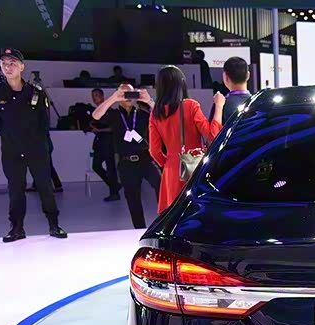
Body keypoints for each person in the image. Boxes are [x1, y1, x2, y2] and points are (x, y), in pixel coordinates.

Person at [0, 48, 67, 242]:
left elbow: (44, 121)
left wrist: (36, 142)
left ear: (22, 67)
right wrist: (10, 136)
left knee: (45, 187)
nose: (8, 67)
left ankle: (54, 225)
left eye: (12, 63)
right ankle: (17, 228)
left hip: (36, 149)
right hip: (12, 150)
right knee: (15, 189)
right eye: (4, 64)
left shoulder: (36, 92)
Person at [149, 65, 224, 213]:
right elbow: (213, 135)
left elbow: (154, 150)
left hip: (171, 171)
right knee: (195, 212)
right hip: (192, 165)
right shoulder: (190, 106)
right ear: (181, 83)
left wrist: (169, 162)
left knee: (173, 215)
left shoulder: (156, 113)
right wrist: (219, 106)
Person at [92, 83, 162, 229]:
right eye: (124, 94)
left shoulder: (142, 114)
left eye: (130, 93)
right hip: (126, 162)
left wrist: (149, 101)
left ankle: (164, 222)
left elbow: (163, 119)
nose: (128, 97)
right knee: (132, 197)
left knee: (161, 185)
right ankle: (139, 229)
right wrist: (113, 98)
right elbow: (96, 115)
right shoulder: (114, 115)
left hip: (146, 159)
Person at [90, 88, 121, 202]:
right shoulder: (95, 112)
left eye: (96, 95)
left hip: (109, 142)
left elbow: (113, 128)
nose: (94, 98)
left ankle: (114, 192)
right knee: (96, 165)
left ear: (102, 96)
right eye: (93, 96)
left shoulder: (110, 111)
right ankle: (114, 186)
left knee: (110, 167)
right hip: (100, 142)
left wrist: (100, 130)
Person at [221, 56, 251, 124]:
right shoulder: (258, 103)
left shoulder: (221, 105)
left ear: (225, 77)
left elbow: (214, 129)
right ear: (248, 75)